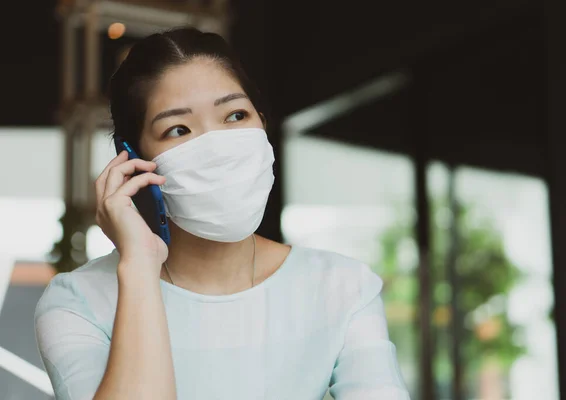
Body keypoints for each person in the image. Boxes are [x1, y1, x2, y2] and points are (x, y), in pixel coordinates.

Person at [34, 27, 410, 400]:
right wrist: (140, 266)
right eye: (178, 129)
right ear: (134, 160)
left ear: (262, 124)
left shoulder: (342, 288)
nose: (217, 147)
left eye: (234, 116)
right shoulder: (78, 303)